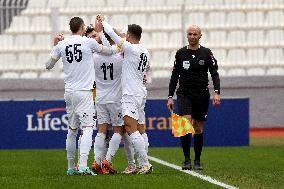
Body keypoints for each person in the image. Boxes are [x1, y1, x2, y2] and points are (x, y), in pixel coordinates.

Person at [46, 16, 117, 176]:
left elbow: (48, 65)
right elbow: (109, 51)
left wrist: (55, 46)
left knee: (72, 131)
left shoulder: (62, 44)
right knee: (87, 128)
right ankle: (83, 165)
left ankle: (71, 167)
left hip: (69, 93)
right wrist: (107, 38)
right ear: (82, 27)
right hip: (84, 92)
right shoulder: (88, 42)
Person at [98, 15, 153, 174]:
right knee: (141, 129)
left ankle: (145, 163)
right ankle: (141, 163)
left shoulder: (130, 48)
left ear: (129, 35)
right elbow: (145, 70)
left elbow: (115, 38)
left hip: (130, 94)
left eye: (126, 34)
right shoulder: (144, 51)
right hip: (141, 93)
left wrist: (103, 22)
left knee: (130, 128)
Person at [167, 25, 221, 170]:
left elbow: (214, 73)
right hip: (184, 93)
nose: (192, 36)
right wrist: (170, 96)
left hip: (202, 94)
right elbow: (174, 76)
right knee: (185, 123)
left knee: (198, 127)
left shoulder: (207, 53)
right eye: (190, 34)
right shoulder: (180, 53)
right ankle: (186, 159)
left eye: (195, 34)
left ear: (200, 36)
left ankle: (197, 160)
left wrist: (217, 92)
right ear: (187, 36)